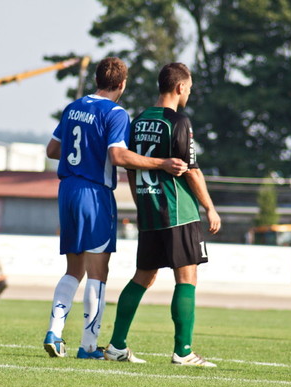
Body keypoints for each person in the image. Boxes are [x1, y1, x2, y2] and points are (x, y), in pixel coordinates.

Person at [43, 57, 188, 360]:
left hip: (67, 189)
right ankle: (88, 346)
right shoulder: (116, 112)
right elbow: (119, 156)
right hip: (94, 194)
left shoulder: (74, 107)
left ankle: (54, 332)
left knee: (74, 269)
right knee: (98, 271)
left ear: (97, 79)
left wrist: (84, 152)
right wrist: (162, 163)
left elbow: (53, 150)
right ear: (122, 84)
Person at [104, 63, 221, 367]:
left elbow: (131, 167)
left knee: (143, 276)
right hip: (178, 210)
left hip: (149, 210)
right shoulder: (178, 121)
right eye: (189, 88)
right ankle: (183, 351)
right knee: (187, 276)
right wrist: (209, 207)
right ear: (180, 87)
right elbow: (190, 170)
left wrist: (141, 204)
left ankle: (116, 345)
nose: (189, 93)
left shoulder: (139, 120)